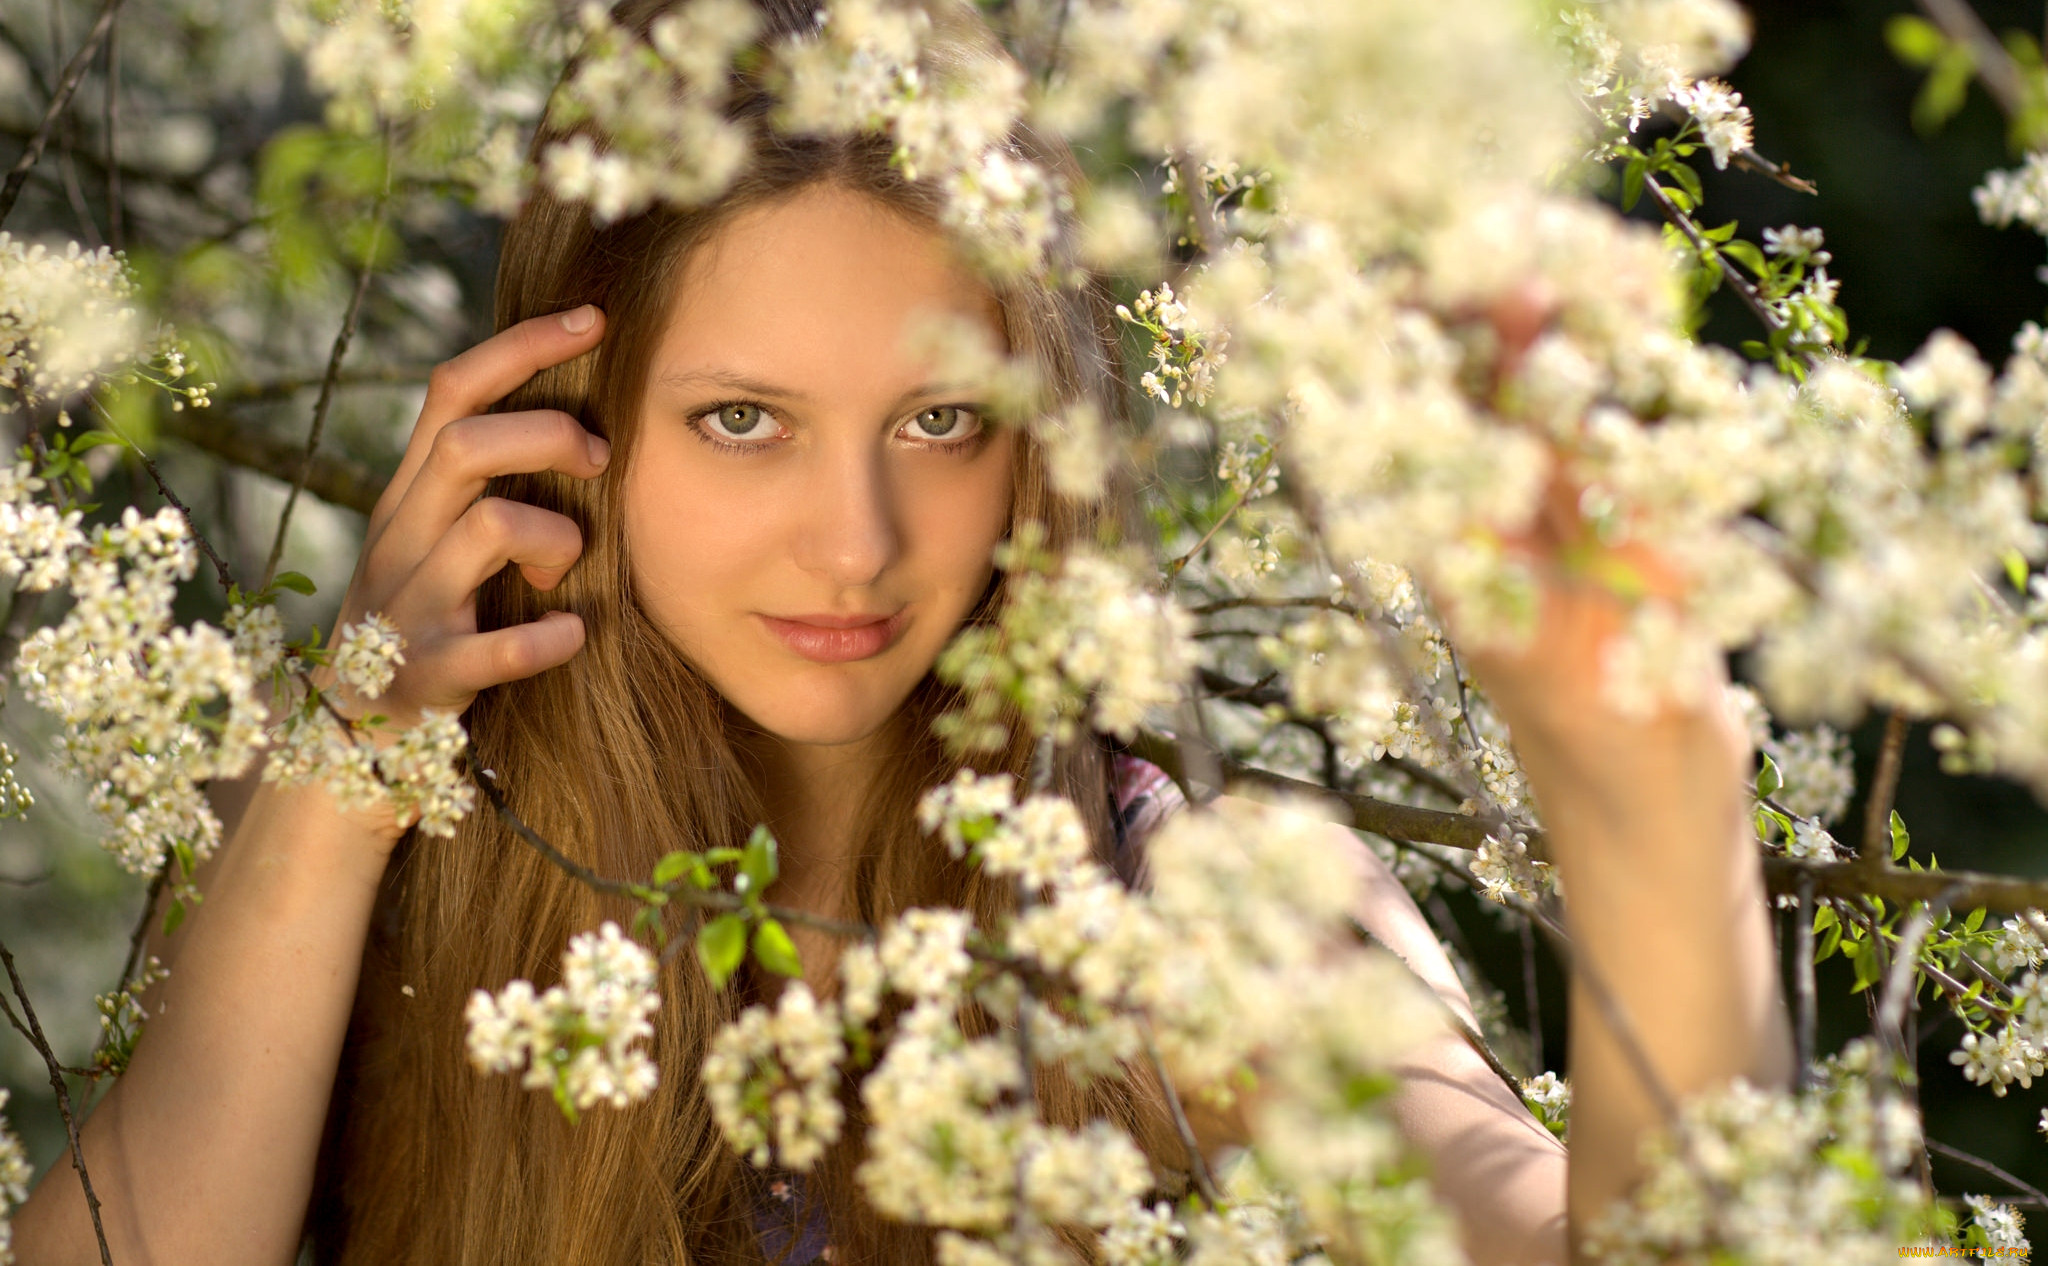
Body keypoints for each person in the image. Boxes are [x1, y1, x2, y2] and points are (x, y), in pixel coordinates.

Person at [11, 0, 1792, 1261]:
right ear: (569, 426)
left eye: (939, 422)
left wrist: (1658, 793)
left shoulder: (1190, 917)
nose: (855, 542)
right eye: (742, 421)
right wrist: (337, 777)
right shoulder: (383, 860)